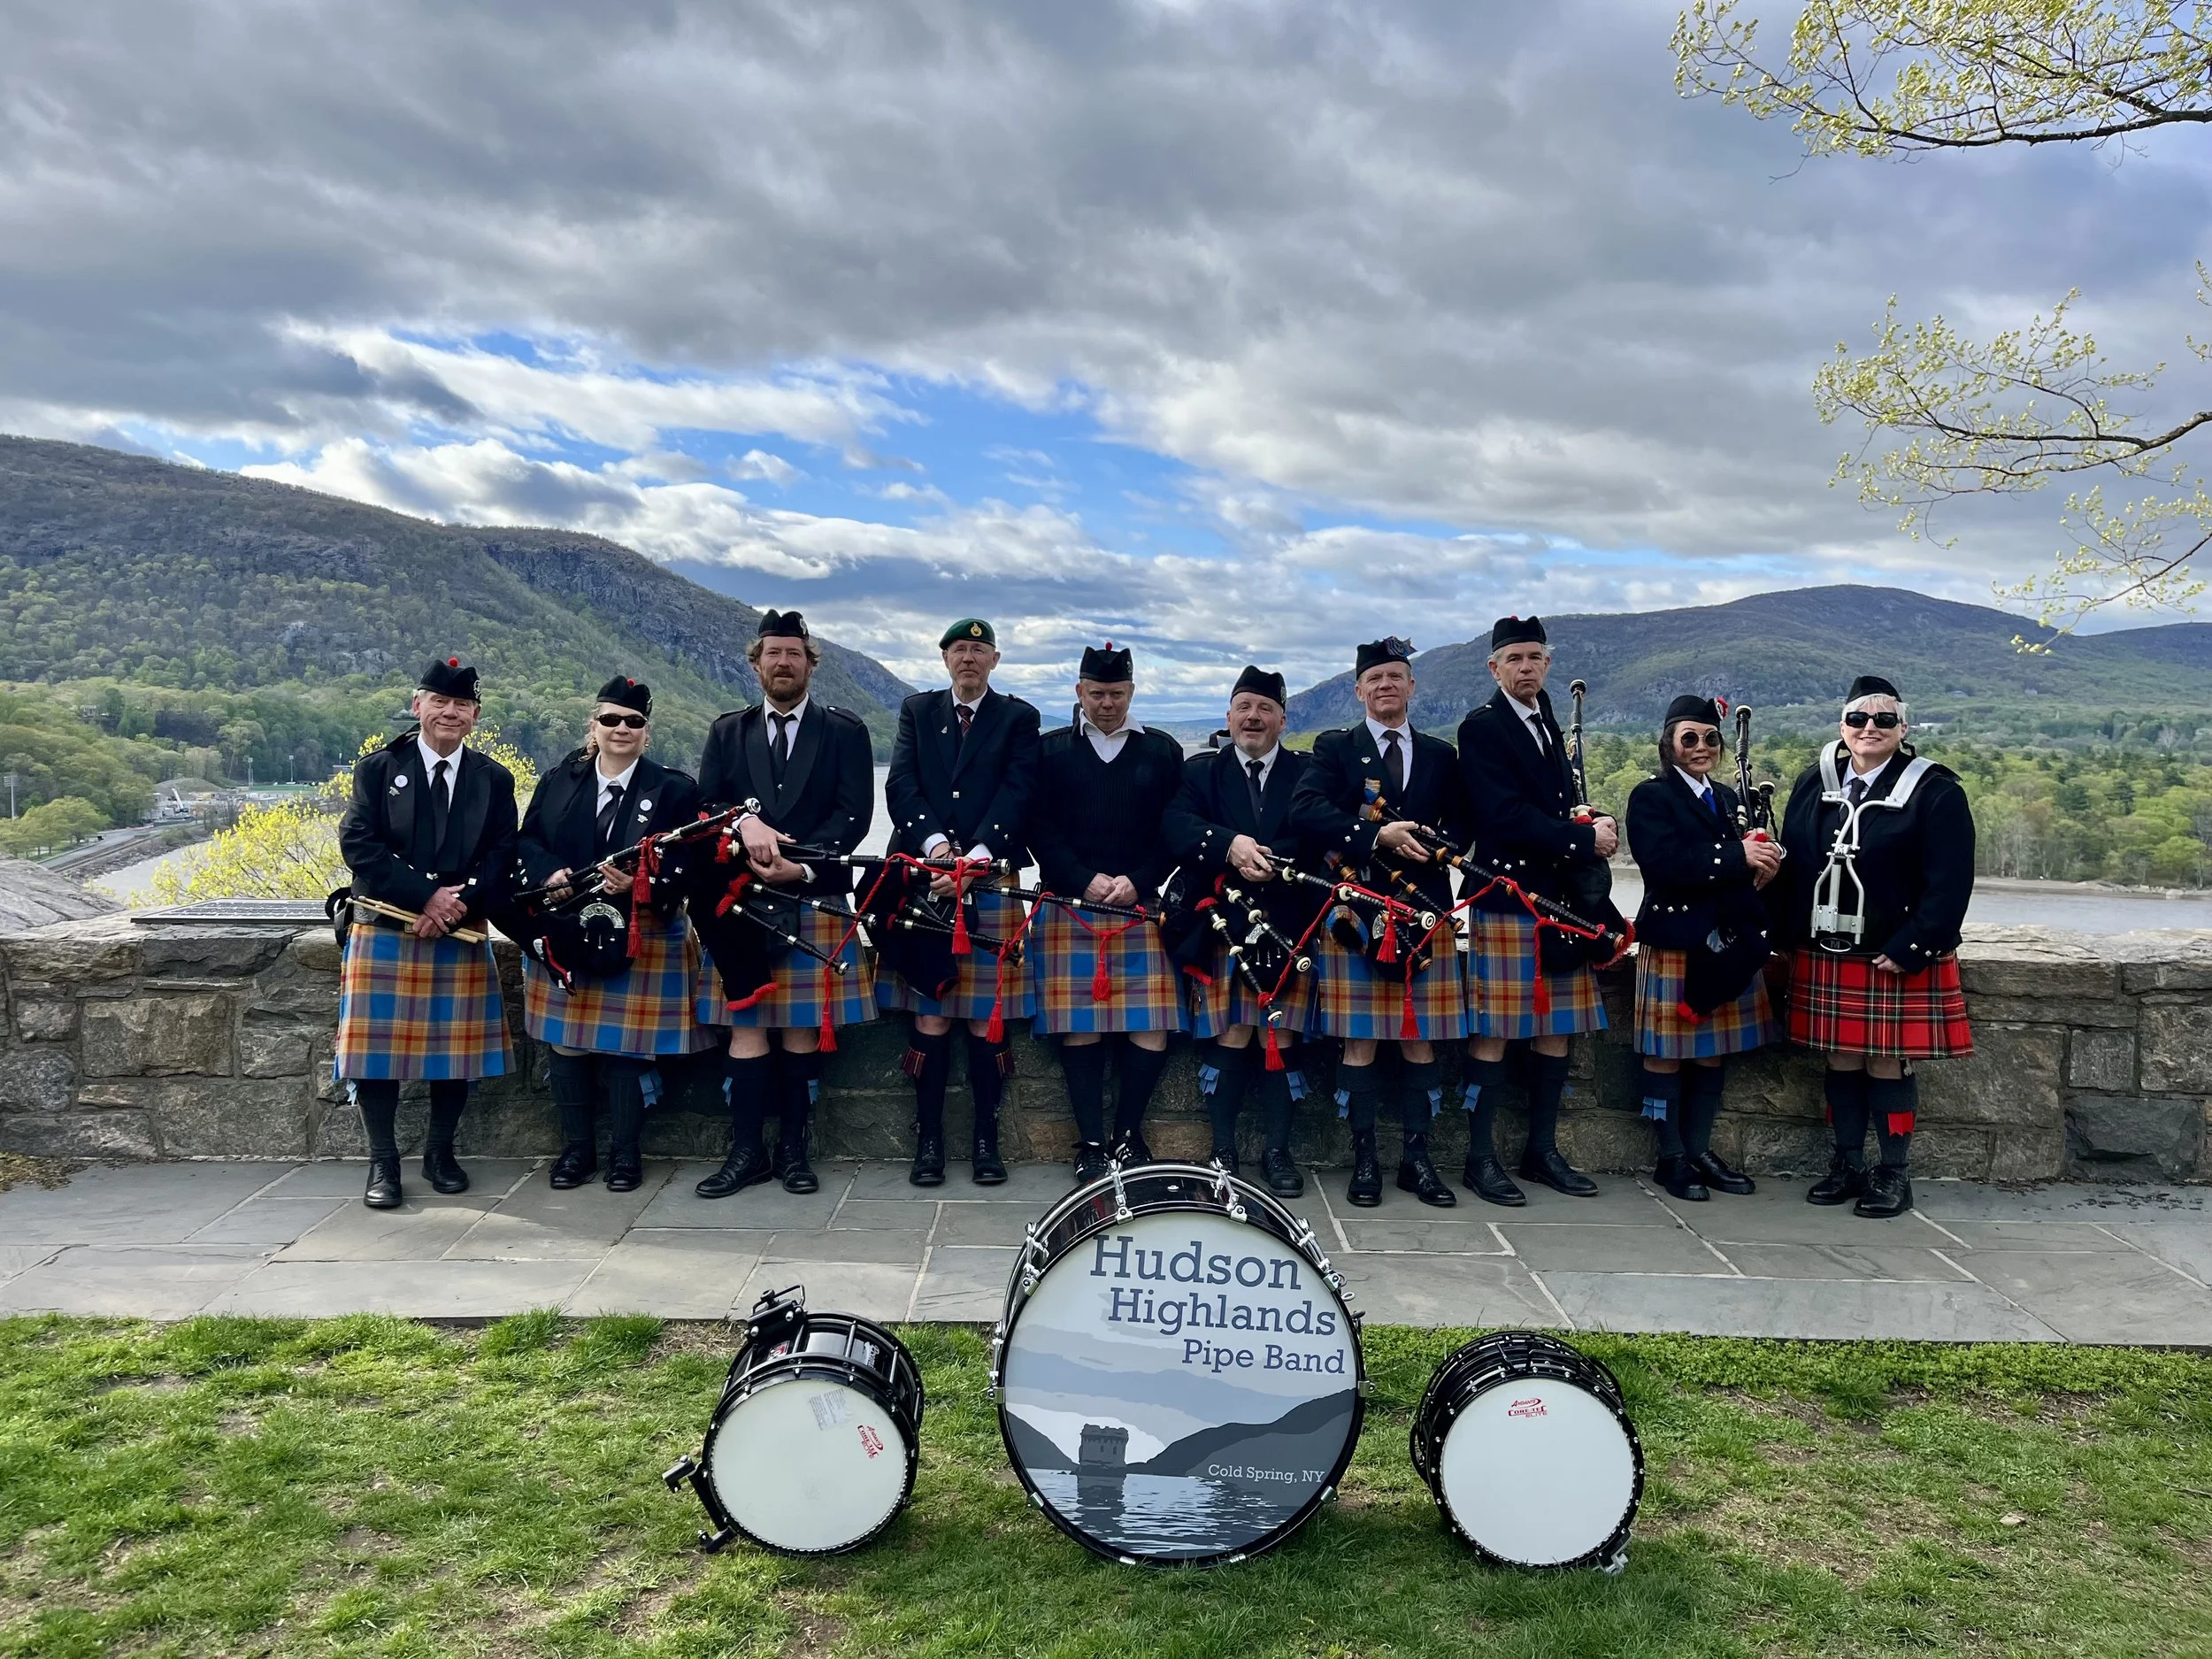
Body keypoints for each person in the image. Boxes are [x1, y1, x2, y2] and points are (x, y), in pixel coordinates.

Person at [692, 611, 876, 1198]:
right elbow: (706, 805)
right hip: (741, 900)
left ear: (810, 663)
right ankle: (746, 1153)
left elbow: (854, 819)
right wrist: (744, 822)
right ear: (756, 662)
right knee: (745, 1029)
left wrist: (803, 865)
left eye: (794, 653)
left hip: (813, 892)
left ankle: (794, 1152)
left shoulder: (845, 731)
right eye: (773, 653)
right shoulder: (727, 731)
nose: (783, 663)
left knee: (800, 1031)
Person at [1776, 675, 1975, 1218]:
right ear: (1842, 726)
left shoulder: (1935, 789)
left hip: (1891, 949)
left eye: (1883, 720)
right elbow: (1793, 862)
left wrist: (1914, 944)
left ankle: (1893, 1172)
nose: (1870, 728)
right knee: (1840, 1059)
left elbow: (1951, 881)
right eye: (1859, 719)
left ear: (1902, 728)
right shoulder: (1814, 782)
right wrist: (1784, 934)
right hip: (1826, 946)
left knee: (1887, 1063)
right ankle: (1846, 1164)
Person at [514, 676, 713, 1193]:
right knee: (569, 1048)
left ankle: (626, 1156)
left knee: (630, 1050)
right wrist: (549, 874)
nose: (621, 729)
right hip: (566, 927)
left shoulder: (673, 789)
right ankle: (577, 1152)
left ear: (647, 732)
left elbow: (692, 863)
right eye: (611, 719)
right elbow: (528, 840)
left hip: (641, 931)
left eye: (634, 722)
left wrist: (643, 884)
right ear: (593, 725)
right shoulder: (561, 779)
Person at [1289, 637, 1468, 1210]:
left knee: (1421, 1043)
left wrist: (1439, 845)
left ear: (1413, 686)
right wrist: (1376, 836)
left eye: (1397, 675)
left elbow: (1465, 824)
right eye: (1376, 678)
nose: (1387, 684)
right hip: (1359, 913)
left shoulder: (1442, 755)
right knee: (1360, 1040)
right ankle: (1365, 1159)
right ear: (1359, 688)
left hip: (1425, 911)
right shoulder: (1336, 747)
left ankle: (1417, 1160)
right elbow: (1306, 811)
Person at [334, 656, 518, 1210]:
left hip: (457, 928)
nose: (449, 712)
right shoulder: (377, 769)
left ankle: (440, 1154)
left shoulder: (494, 778)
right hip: (387, 923)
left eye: (462, 704)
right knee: (375, 1057)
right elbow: (359, 845)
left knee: (452, 1054)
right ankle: (383, 1163)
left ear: (475, 714)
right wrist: (424, 898)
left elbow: (502, 855)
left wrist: (452, 908)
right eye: (439, 701)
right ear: (418, 706)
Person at [880, 618, 1041, 1187]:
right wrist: (937, 849)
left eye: (979, 650)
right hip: (925, 878)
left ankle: (985, 1141)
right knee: (929, 1013)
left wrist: (973, 857)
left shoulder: (1018, 717)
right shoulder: (916, 711)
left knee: (984, 1019)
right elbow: (900, 785)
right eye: (959, 649)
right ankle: (928, 1142)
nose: (968, 658)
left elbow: (1020, 791)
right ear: (944, 657)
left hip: (991, 876)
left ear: (994, 660)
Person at [1456, 616, 1611, 1206]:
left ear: (1547, 663)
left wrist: (1591, 817)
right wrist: (1581, 841)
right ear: (1494, 668)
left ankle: (1541, 1151)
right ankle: (1479, 1157)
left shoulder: (1548, 718)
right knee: (1494, 1032)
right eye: (1513, 658)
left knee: (1556, 1032)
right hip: (1510, 899)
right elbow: (1502, 816)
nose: (1525, 667)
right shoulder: (1484, 728)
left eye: (1534, 657)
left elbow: (1555, 801)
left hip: (1560, 901)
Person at [1029, 642, 1188, 1182]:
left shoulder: (1162, 752)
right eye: (1096, 693)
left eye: (1116, 693)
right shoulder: (1050, 750)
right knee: (1081, 1027)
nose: (1106, 703)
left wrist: (1139, 880)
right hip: (1071, 903)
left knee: (1153, 1025)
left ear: (1132, 692)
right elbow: (1037, 829)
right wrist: (1083, 879)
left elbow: (1175, 829)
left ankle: (1128, 1136)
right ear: (1078, 692)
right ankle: (1091, 1142)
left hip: (1139, 905)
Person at [1162, 664, 1323, 1196]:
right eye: (1244, 708)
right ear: (1229, 716)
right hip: (1221, 922)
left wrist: (1283, 860)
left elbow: (1323, 831)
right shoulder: (1201, 771)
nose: (1253, 718)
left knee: (1281, 1033)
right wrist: (1229, 844)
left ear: (1282, 718)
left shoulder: (1306, 772)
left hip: (1290, 924)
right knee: (1229, 1031)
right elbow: (1175, 827)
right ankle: (1222, 1151)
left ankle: (1278, 1151)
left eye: (1265, 709)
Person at [1624, 694, 1783, 1201]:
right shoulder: (1651, 797)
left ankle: (1698, 1149)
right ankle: (1670, 1157)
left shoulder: (1730, 797)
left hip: (1728, 942)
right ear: (1669, 742)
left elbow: (1740, 866)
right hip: (1675, 938)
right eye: (1688, 737)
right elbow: (1665, 865)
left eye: (1710, 738)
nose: (1701, 747)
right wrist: (1738, 855)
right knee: (1665, 1055)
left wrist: (1765, 866)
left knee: (1712, 1054)